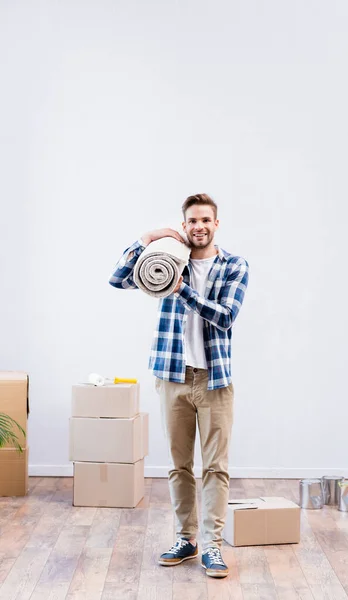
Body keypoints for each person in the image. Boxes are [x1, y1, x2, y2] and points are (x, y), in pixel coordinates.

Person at [109, 193, 249, 578]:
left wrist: (181, 290)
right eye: (192, 221)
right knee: (178, 466)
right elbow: (117, 278)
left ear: (216, 224)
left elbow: (225, 316)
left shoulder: (234, 265)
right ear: (183, 224)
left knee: (216, 468)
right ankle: (186, 540)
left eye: (206, 220)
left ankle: (213, 547)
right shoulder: (167, 260)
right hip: (172, 376)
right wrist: (147, 239)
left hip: (214, 380)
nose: (199, 226)